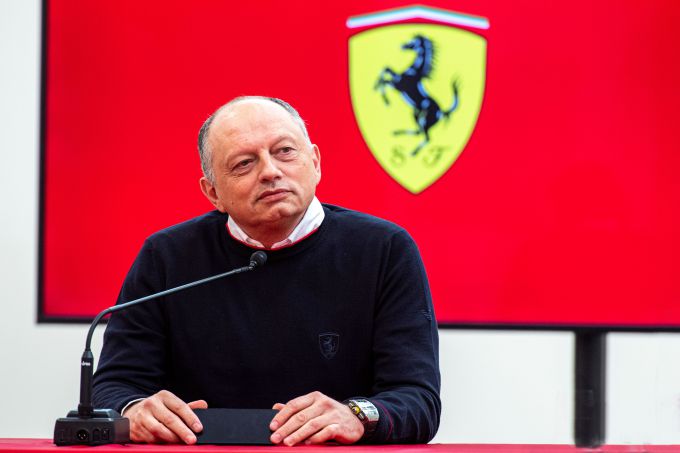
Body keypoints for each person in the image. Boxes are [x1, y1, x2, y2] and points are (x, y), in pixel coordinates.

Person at [93, 96, 440, 445]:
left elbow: (417, 400)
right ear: (213, 193)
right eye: (244, 163)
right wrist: (134, 410)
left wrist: (356, 415)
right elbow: (113, 388)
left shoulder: (384, 249)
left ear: (315, 162)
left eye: (285, 151)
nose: (271, 171)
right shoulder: (166, 256)